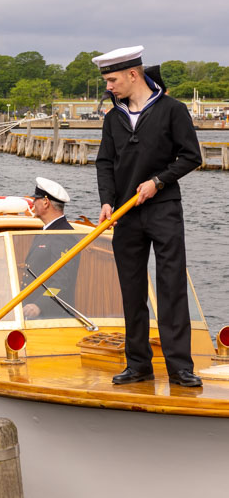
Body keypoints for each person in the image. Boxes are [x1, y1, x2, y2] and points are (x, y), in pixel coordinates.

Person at [93, 46, 203, 388]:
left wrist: (158, 182)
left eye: (112, 80)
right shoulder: (113, 118)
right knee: (132, 291)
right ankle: (138, 364)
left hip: (164, 209)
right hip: (125, 215)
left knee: (171, 287)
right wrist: (107, 201)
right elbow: (105, 163)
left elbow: (191, 156)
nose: (109, 87)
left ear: (132, 74)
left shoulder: (173, 110)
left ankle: (180, 367)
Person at [19, 177, 80, 319]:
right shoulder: (47, 230)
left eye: (36, 199)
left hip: (51, 316)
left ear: (46, 202)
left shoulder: (64, 235)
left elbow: (61, 282)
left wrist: (39, 305)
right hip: (32, 312)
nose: (33, 203)